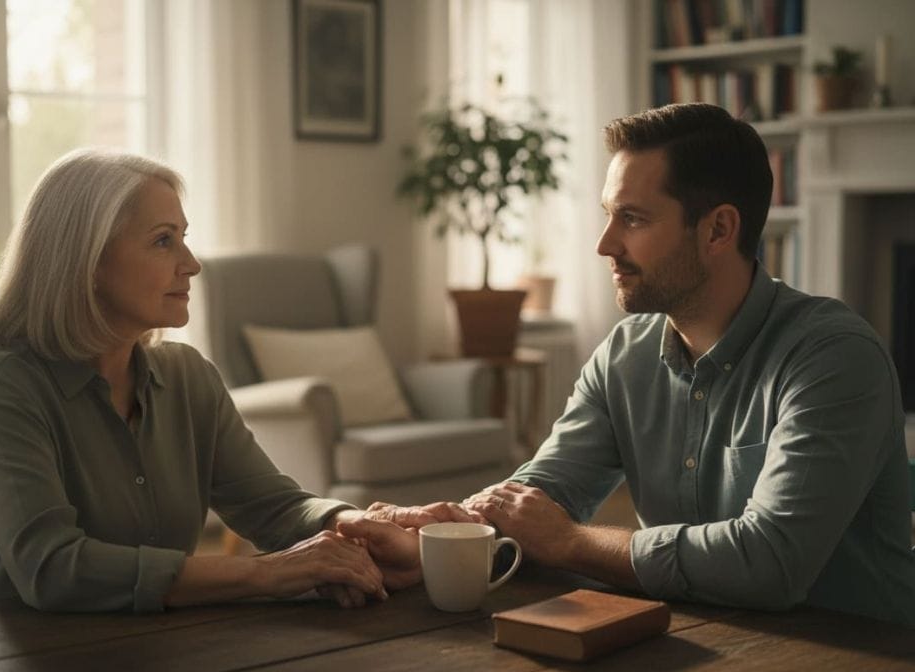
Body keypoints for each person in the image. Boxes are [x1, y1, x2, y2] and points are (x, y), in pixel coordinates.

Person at [358, 103, 915, 628]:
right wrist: (445, 526)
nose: (605, 244)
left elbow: (770, 564)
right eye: (608, 216)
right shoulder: (624, 355)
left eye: (633, 219)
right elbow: (545, 493)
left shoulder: (834, 359)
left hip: (859, 668)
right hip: (696, 646)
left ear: (719, 230)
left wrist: (573, 543)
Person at [0, 148, 418, 613]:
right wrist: (268, 574)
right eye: (164, 240)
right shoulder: (1, 389)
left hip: (138, 653)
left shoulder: (188, 376)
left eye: (183, 238)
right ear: (88, 262)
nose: (191, 263)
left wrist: (356, 525)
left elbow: (273, 507)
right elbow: (54, 568)